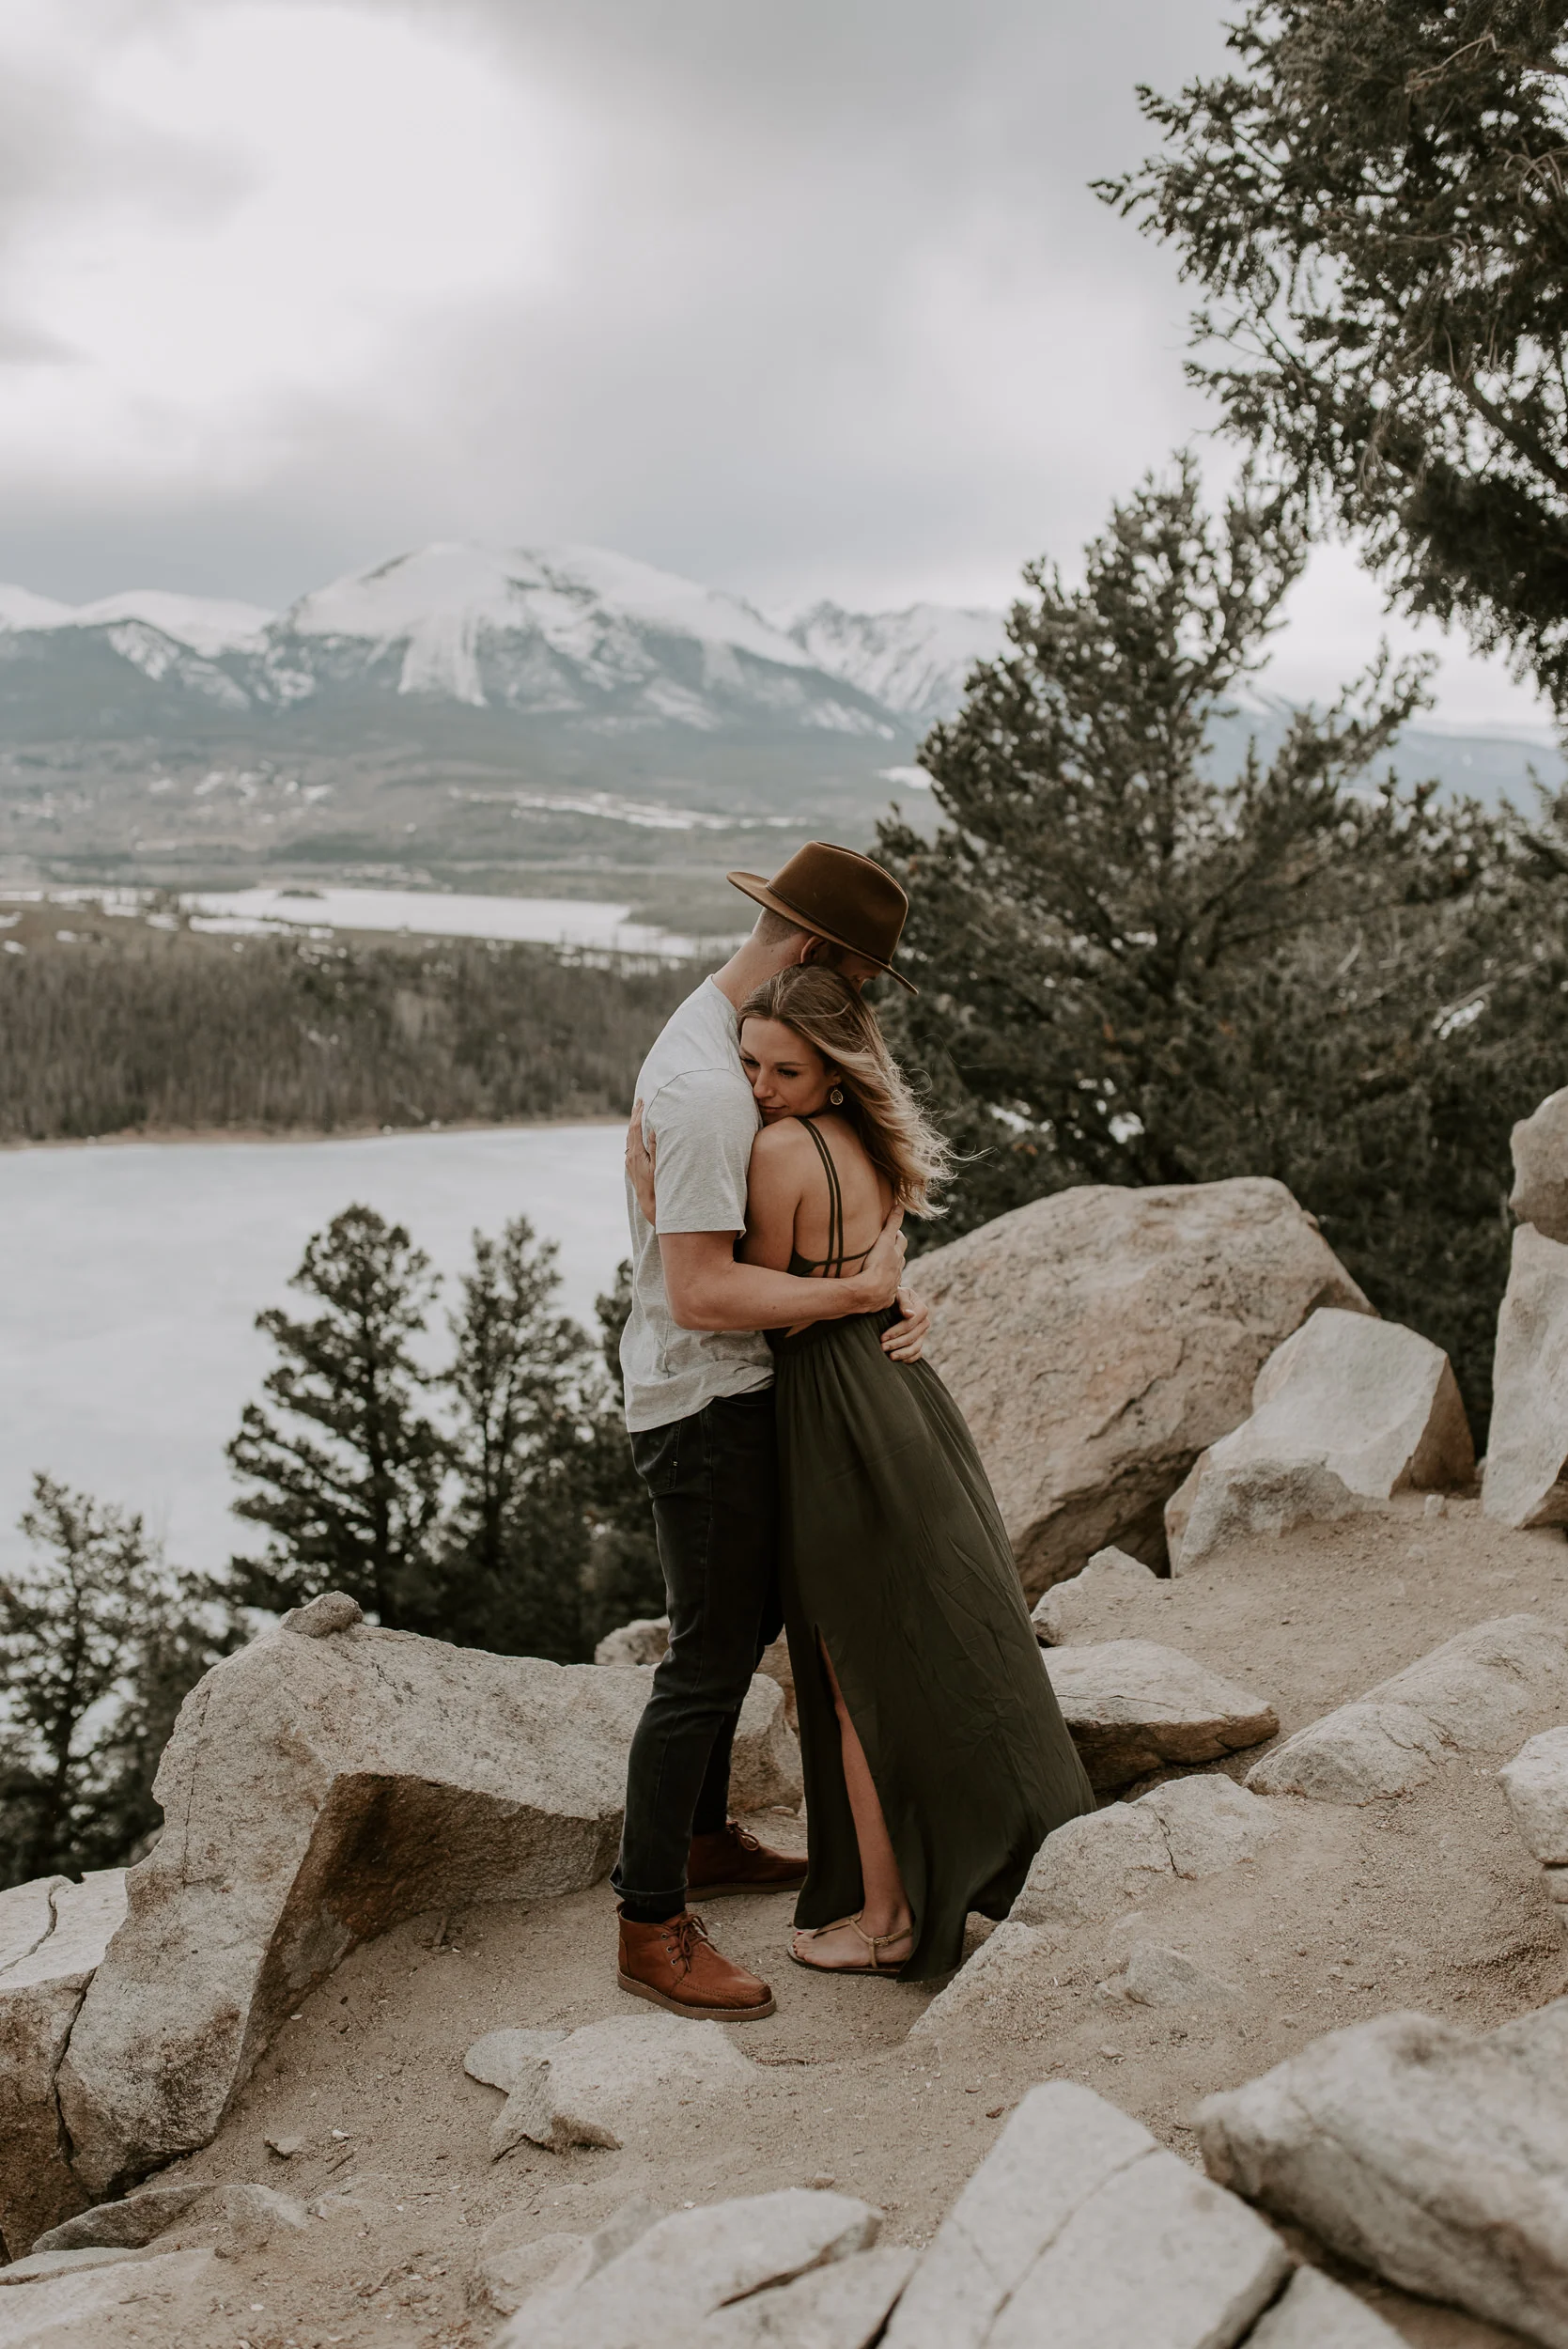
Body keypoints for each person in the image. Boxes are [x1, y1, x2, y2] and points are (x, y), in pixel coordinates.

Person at [629, 962, 1096, 1981]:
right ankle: (952, 1867)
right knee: (913, 1649)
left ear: (835, 1073)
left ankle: (885, 1919)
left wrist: (653, 1194)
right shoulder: (869, 1144)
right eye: (750, 1064)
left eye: (786, 1071)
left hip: (832, 1411)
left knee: (854, 1680)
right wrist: (885, 1291)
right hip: (901, 1394)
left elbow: (734, 1292)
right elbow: (859, 1269)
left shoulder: (779, 1152)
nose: (760, 1089)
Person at [612, 841, 934, 2022]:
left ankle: (700, 1840)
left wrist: (885, 1288)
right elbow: (701, 1293)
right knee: (706, 1657)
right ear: (812, 952)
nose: (856, 1012)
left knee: (742, 1626)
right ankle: (649, 1921)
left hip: (733, 1389)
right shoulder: (711, 1088)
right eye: (857, 982)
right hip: (708, 1401)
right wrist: (857, 1295)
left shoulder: (715, 1037)